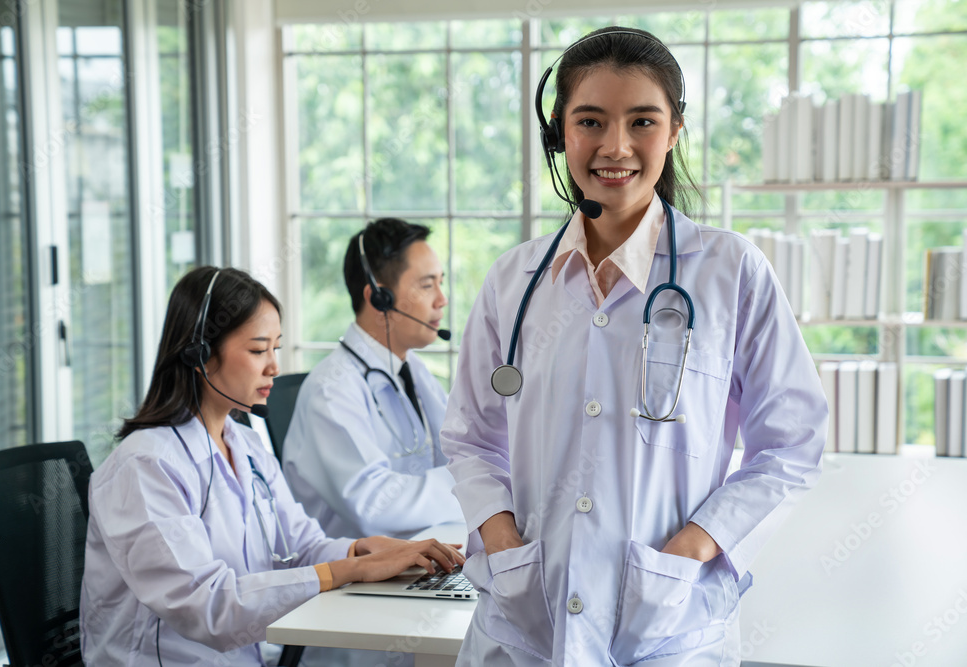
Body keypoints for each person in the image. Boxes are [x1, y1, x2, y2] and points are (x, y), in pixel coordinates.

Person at [440, 27, 828, 666]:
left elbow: (791, 444)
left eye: (641, 121)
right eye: (590, 120)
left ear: (674, 131)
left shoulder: (730, 271)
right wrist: (501, 536)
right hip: (523, 629)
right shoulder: (514, 281)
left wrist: (697, 545)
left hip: (667, 631)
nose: (614, 147)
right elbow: (470, 437)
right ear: (559, 133)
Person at [80, 266, 464, 667]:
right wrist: (352, 569)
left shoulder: (244, 443)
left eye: (276, 348)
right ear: (200, 354)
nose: (274, 367)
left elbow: (301, 546)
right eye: (258, 349)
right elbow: (208, 609)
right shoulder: (145, 466)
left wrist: (363, 549)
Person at [281, 218, 463, 667]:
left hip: (407, 586)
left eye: (441, 282)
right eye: (426, 285)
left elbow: (460, 448)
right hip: (352, 616)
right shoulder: (333, 390)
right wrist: (471, 480)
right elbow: (375, 503)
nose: (442, 299)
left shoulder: (413, 371)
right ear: (377, 297)